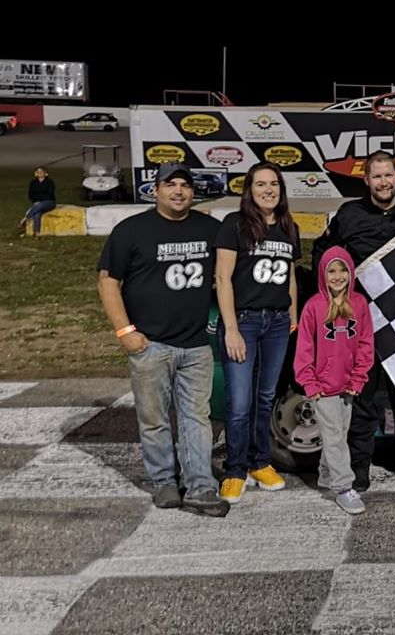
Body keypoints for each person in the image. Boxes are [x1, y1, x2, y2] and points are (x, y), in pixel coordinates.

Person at [96, 162, 229, 517]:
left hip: (196, 344)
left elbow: (228, 274)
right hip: (150, 344)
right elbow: (108, 282)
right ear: (155, 190)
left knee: (196, 418)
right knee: (154, 419)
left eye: (185, 185)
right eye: (170, 184)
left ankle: (200, 485)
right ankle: (164, 480)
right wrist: (125, 332)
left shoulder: (210, 229)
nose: (178, 191)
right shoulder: (131, 230)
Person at [310, 150, 395, 491]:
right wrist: (330, 302)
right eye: (376, 176)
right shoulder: (348, 214)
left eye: (388, 175)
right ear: (366, 180)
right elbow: (324, 256)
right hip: (359, 324)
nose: (383, 182)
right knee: (359, 396)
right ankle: (359, 464)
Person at [214, 162, 300, 504]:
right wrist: (231, 328)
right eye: (261, 184)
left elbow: (290, 275)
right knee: (240, 402)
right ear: (249, 190)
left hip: (277, 322)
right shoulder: (234, 225)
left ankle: (259, 462)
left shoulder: (289, 226)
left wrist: (292, 315)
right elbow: (223, 279)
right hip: (244, 321)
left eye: (274, 184)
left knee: (265, 397)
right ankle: (235, 469)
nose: (268, 190)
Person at [294, 246, 374, 514]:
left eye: (343, 270)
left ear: (350, 273)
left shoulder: (359, 304)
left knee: (339, 434)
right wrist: (310, 382)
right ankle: (343, 487)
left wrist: (358, 378)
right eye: (331, 271)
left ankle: (326, 474)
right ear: (323, 274)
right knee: (335, 438)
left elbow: (365, 344)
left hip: (348, 386)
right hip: (323, 387)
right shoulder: (313, 306)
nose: (338, 276)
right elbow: (304, 348)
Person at [18, 167, 56, 236]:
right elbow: (31, 195)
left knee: (39, 205)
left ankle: (25, 219)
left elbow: (50, 195)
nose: (40, 173)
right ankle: (37, 233)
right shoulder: (33, 183)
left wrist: (39, 200)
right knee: (37, 213)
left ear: (45, 173)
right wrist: (36, 201)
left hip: (49, 202)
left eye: (41, 172)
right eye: (38, 172)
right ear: (36, 173)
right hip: (37, 203)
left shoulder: (50, 182)